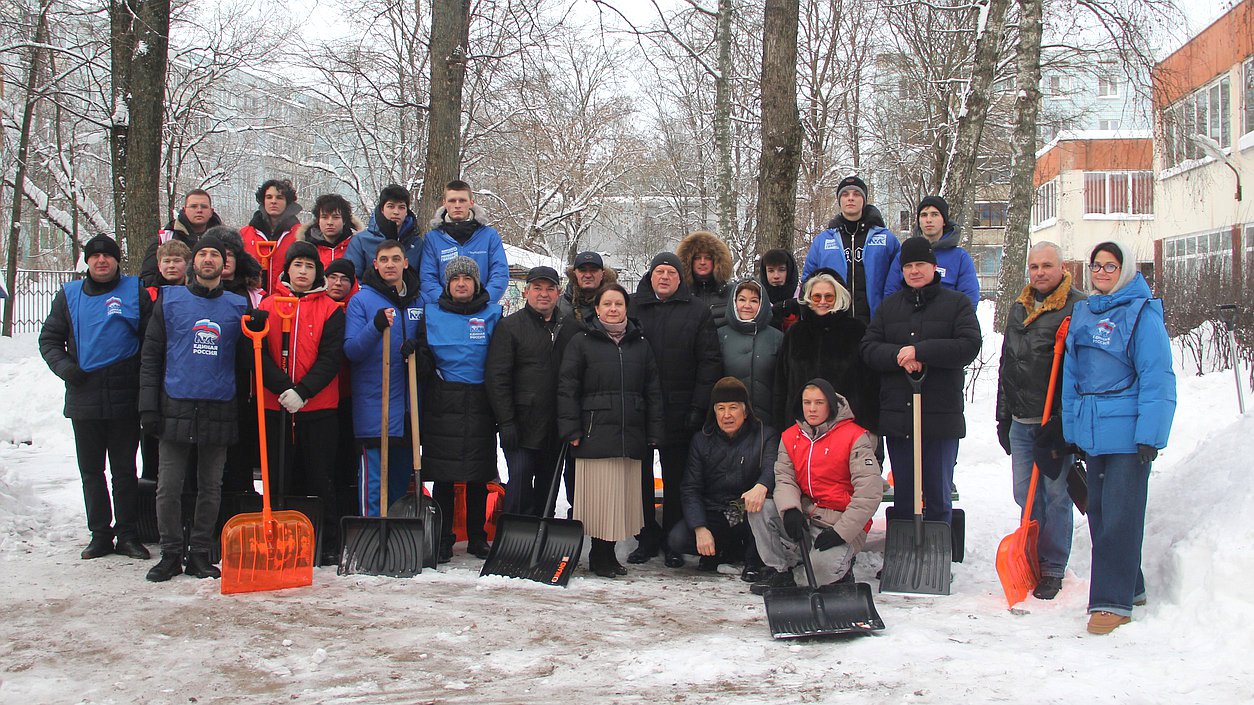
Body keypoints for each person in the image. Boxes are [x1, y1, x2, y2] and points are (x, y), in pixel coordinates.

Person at [1061, 241, 1175, 635]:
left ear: (1125, 270)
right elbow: (1071, 377)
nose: (1103, 273)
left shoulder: (1142, 314)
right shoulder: (1084, 312)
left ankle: (1112, 601)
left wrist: (1151, 434)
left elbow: (1157, 377)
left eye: (1111, 266)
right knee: (1100, 514)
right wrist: (1072, 431)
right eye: (1097, 266)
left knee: (1121, 517)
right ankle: (1133, 585)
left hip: (1128, 434)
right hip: (1093, 430)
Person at [139, 235, 255, 582]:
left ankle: (200, 552)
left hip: (219, 404)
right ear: (194, 262)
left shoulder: (237, 305)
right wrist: (148, 406)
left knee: (210, 486)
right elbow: (151, 356)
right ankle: (171, 553)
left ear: (225, 264)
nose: (208, 259)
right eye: (202, 253)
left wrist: (258, 332)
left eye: (215, 255)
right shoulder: (170, 301)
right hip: (175, 402)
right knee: (168, 485)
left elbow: (246, 361)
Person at [39, 234, 153, 561]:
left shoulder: (134, 291)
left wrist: (136, 375)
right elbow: (49, 340)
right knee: (91, 471)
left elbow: (151, 340)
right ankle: (100, 534)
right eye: (95, 256)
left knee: (125, 471)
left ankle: (128, 534)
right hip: (83, 397)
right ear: (86, 262)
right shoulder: (69, 296)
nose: (101, 261)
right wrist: (66, 369)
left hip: (124, 398)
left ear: (117, 260)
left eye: (107, 255)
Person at [860, 237, 981, 527]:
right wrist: (898, 355)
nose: (914, 271)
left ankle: (937, 553)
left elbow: (968, 345)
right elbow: (868, 348)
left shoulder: (957, 304)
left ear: (934, 267)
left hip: (940, 413)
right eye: (909, 266)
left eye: (921, 265)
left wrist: (922, 352)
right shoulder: (889, 308)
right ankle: (904, 554)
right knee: (905, 489)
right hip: (899, 414)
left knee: (938, 489)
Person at [995, 241, 1085, 600]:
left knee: (1055, 493)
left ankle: (1052, 566)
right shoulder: (1020, 307)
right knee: (1024, 493)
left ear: (1062, 268)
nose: (1039, 273)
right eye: (1034, 267)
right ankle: (1031, 556)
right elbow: (1007, 365)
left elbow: (1080, 372)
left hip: (1053, 421)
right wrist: (1003, 417)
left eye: (1047, 266)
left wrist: (1065, 422)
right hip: (1022, 419)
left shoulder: (1076, 307)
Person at [557, 284, 665, 578]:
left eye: (618, 303)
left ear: (626, 308)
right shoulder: (582, 341)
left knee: (621, 500)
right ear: (598, 308)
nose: (613, 309)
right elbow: (567, 389)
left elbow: (652, 390)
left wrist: (653, 431)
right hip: (594, 434)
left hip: (630, 433)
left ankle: (609, 554)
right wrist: (571, 429)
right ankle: (599, 555)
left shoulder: (639, 343)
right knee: (599, 501)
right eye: (608, 304)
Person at [629, 252, 722, 566]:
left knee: (676, 477)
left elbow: (709, 362)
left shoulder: (697, 311)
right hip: (639, 409)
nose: (665, 277)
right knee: (638, 477)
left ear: (681, 278)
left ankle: (672, 539)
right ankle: (645, 536)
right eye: (659, 272)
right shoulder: (633, 306)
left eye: (671, 272)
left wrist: (698, 406)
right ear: (651, 276)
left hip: (680, 410)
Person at [748, 379, 881, 594]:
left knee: (820, 573)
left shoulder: (855, 437)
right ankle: (781, 571)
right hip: (806, 516)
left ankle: (832, 571)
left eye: (819, 402)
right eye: (806, 402)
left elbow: (869, 493)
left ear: (831, 404)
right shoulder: (790, 436)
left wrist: (841, 532)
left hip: (839, 523)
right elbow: (784, 478)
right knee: (761, 508)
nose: (811, 408)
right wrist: (790, 509)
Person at [258, 241, 346, 564]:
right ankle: (280, 535)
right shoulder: (268, 306)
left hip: (319, 407)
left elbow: (331, 358)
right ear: (288, 270)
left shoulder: (331, 309)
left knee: (320, 475)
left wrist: (303, 391)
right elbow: (258, 354)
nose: (304, 272)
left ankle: (328, 541)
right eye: (298, 266)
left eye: (310, 267)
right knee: (281, 475)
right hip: (275, 404)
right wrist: (283, 388)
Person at [417, 257, 502, 561]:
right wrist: (417, 353)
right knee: (444, 477)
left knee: (479, 476)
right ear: (447, 284)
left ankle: (478, 537)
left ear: (477, 284)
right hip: (444, 402)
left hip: (480, 401)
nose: (462, 283)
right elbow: (424, 362)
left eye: (467, 278)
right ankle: (443, 538)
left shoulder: (494, 315)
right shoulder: (431, 315)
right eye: (455, 279)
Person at [486, 266, 578, 518]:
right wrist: (506, 422)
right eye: (537, 288)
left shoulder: (570, 329)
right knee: (520, 483)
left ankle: (542, 534)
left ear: (558, 293)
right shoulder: (510, 327)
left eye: (549, 288)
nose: (543, 294)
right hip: (521, 425)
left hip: (555, 426)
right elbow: (498, 378)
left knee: (548, 487)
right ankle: (514, 536)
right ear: (526, 291)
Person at [343, 240, 425, 517]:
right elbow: (352, 350)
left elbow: (429, 346)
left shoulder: (419, 300)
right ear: (375, 264)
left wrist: (419, 350)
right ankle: (371, 536)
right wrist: (375, 327)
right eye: (384, 260)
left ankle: (396, 543)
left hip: (408, 408)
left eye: (395, 259)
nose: (390, 264)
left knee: (402, 482)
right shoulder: (362, 301)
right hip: (375, 407)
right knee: (375, 481)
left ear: (406, 263)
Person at [669, 377, 778, 579]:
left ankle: (753, 560)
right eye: (720, 408)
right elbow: (690, 488)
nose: (726, 415)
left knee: (762, 508)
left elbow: (773, 467)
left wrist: (762, 485)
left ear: (745, 411)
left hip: (743, 508)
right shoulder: (701, 440)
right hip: (715, 510)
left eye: (733, 408)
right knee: (678, 539)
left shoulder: (765, 435)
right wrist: (700, 527)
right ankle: (720, 551)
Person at [773, 270, 879, 436]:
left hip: (848, 430)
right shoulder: (795, 334)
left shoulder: (857, 331)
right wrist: (782, 426)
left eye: (829, 297)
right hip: (802, 430)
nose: (822, 302)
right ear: (809, 298)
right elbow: (781, 384)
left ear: (839, 297)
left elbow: (870, 384)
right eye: (817, 297)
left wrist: (869, 427)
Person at [801, 175, 901, 324]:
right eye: (845, 194)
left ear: (864, 200)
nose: (850, 198)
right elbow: (807, 283)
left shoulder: (886, 239)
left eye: (856, 194)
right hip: (834, 325)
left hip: (876, 323)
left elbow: (898, 280)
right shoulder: (823, 241)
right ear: (839, 200)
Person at [419, 180, 510, 305]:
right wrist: (444, 302)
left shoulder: (489, 236)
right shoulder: (433, 238)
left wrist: (485, 299)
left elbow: (500, 273)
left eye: (462, 200)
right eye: (452, 201)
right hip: (446, 310)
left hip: (482, 310)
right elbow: (427, 278)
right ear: (444, 203)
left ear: (471, 203)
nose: (457, 205)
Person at [884, 196, 980, 308]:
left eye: (934, 214)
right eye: (924, 215)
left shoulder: (960, 257)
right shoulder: (903, 256)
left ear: (944, 220)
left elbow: (969, 300)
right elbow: (890, 296)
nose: (928, 220)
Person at [718, 278, 783, 430]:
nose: (747, 306)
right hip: (730, 425)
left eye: (754, 301)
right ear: (734, 302)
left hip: (768, 424)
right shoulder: (720, 336)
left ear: (762, 304)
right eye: (742, 299)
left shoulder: (777, 338)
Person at [324, 258, 361, 521]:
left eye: (344, 279)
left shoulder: (357, 308)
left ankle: (346, 514)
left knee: (347, 458)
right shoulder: (318, 307)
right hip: (321, 395)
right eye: (333, 277)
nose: (338, 284)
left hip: (350, 392)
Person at [267, 193, 361, 292]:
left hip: (351, 304)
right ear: (318, 220)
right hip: (313, 303)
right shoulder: (305, 248)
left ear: (344, 220)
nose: (330, 222)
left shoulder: (357, 246)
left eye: (335, 217)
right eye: (324, 217)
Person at [139, 190, 221, 286]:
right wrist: (174, 281)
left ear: (211, 212)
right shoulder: (164, 239)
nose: (199, 210)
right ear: (184, 209)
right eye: (193, 206)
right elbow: (147, 278)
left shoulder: (224, 240)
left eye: (204, 206)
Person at [343, 184, 423, 279]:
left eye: (401, 207)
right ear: (382, 209)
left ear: (406, 212)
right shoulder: (361, 241)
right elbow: (352, 279)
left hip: (408, 293)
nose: (396, 212)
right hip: (370, 292)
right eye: (391, 206)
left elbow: (425, 279)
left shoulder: (417, 243)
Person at [240, 179, 302, 281]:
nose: (273, 201)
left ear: (287, 202)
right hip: (252, 294)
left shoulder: (300, 235)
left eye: (279, 197)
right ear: (263, 201)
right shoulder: (245, 234)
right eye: (269, 197)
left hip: (286, 296)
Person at [677, 230, 733, 327]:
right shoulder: (680, 294)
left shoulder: (731, 293)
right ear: (689, 261)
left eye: (708, 258)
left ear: (717, 260)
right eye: (697, 258)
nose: (702, 262)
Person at [559, 250, 617, 327]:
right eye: (582, 270)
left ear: (602, 274)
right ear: (574, 274)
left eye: (593, 270)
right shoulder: (559, 305)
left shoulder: (616, 304)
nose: (588, 275)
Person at [758, 248, 800, 331]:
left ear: (790, 270)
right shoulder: (757, 298)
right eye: (771, 271)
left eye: (781, 270)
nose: (776, 276)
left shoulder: (801, 296)